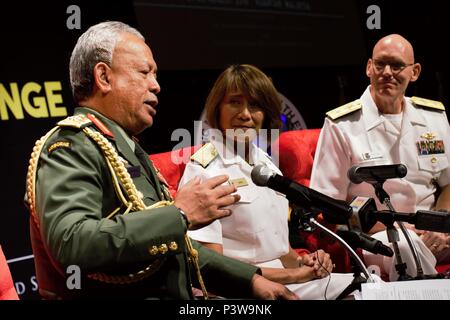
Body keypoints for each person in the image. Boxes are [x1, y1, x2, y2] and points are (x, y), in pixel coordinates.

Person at [24, 21, 298, 300]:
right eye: (145, 73)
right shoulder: (71, 145)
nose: (156, 86)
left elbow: (179, 251)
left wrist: (250, 282)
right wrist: (178, 215)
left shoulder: (127, 148)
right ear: (104, 77)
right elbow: (73, 245)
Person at [178, 64, 356, 300]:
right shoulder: (205, 171)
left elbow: (278, 249)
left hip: (285, 280)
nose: (245, 114)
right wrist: (296, 276)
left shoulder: (266, 163)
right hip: (240, 290)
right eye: (234, 102)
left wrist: (307, 263)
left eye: (255, 105)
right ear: (217, 109)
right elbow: (213, 271)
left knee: (365, 286)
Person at [310, 34, 450, 281]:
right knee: (408, 248)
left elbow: (448, 183)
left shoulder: (434, 117)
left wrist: (437, 226)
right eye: (380, 64)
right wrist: (397, 228)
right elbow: (328, 206)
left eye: (396, 66)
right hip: (376, 235)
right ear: (368, 68)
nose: (387, 72)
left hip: (432, 227)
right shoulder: (342, 125)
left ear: (414, 72)